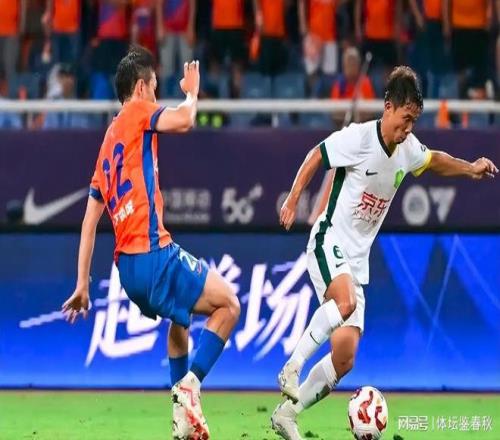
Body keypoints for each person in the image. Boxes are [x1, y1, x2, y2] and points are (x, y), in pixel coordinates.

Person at [271, 66, 498, 440]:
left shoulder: (407, 150)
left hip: (356, 262)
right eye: (405, 118)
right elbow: (316, 155)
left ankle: (286, 414)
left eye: (414, 121)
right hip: (329, 240)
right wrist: (293, 199)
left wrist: (470, 168)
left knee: (344, 357)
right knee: (343, 303)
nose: (408, 128)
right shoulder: (358, 138)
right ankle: (292, 367)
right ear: (388, 107)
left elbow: (434, 159)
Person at [61, 46, 240, 440]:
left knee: (180, 320)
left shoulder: (107, 142)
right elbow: (185, 120)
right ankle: (189, 386)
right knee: (229, 304)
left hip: (128, 271)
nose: (156, 97)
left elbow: (89, 223)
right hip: (154, 254)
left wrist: (82, 284)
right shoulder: (138, 111)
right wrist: (191, 92)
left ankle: (181, 419)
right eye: (155, 88)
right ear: (141, 88)